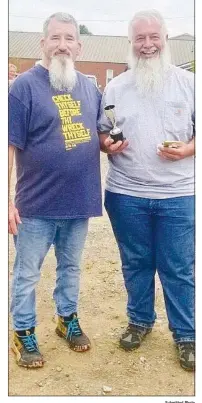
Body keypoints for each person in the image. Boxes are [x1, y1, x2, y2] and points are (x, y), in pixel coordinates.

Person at [98, 9, 195, 371]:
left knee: (179, 266)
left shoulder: (189, 84)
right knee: (135, 263)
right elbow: (103, 131)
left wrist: (187, 149)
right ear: (130, 42)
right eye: (140, 38)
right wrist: (108, 144)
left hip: (179, 193)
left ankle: (186, 335)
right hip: (126, 194)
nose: (147, 44)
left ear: (165, 39)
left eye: (154, 37)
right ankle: (139, 321)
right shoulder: (116, 87)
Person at [9, 12, 102, 368]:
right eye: (55, 38)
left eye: (69, 38)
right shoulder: (24, 87)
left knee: (71, 268)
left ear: (79, 45)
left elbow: (100, 133)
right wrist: (5, 201)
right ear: (43, 43)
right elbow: (9, 145)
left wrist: (113, 142)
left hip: (79, 202)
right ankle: (23, 332)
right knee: (27, 273)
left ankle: (66, 319)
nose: (62, 45)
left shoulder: (89, 87)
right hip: (35, 205)